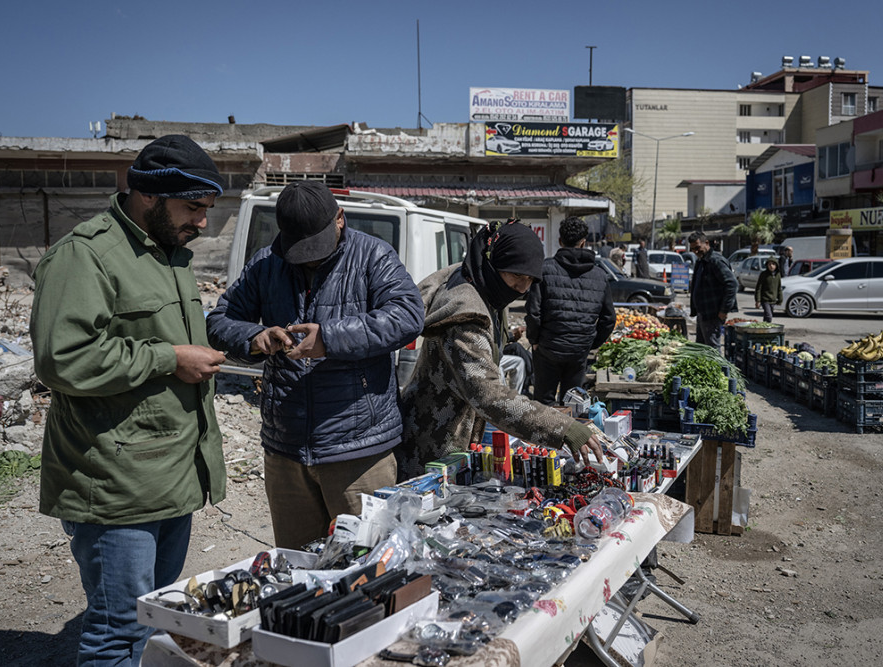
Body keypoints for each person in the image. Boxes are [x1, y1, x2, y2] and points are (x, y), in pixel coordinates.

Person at [30, 135, 228, 665]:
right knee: (117, 631)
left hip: (171, 476)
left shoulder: (168, 253)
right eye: (192, 208)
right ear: (148, 196)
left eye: (206, 209)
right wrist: (170, 358)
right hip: (116, 486)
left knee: (154, 618)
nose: (202, 223)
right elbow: (61, 359)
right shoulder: (86, 255)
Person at [206, 181, 424, 549]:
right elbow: (219, 321)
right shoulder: (266, 263)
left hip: (359, 454)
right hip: (286, 452)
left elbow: (407, 315)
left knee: (367, 569)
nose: (309, 258)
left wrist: (330, 339)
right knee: (297, 571)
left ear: (340, 218)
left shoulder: (373, 256)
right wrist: (255, 338)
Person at [396, 220, 610, 479]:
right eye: (517, 277)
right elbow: (488, 395)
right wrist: (563, 428)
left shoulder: (476, 279)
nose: (523, 288)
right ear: (494, 263)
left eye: (530, 279)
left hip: (447, 438)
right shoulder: (466, 314)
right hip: (432, 448)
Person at [525, 216, 616, 406]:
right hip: (578, 351)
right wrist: (590, 343)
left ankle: (544, 436)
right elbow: (608, 319)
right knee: (574, 405)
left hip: (547, 349)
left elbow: (533, 312)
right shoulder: (600, 275)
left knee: (543, 405)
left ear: (560, 241)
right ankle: (571, 436)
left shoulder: (544, 269)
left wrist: (534, 340)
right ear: (584, 242)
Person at [688, 230, 738, 349]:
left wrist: (724, 310)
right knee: (701, 349)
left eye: (698, 247)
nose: (695, 251)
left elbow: (732, 284)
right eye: (693, 249)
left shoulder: (715, 261)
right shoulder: (701, 261)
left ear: (706, 243)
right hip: (703, 313)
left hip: (713, 314)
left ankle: (720, 368)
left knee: (712, 350)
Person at [754, 257, 783, 323]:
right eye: (769, 264)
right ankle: (767, 327)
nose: (771, 266)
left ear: (776, 265)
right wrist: (758, 300)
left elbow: (779, 288)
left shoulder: (778, 275)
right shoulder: (763, 274)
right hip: (765, 299)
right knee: (769, 316)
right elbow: (758, 288)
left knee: (767, 316)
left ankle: (764, 328)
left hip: (773, 300)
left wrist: (780, 299)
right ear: (767, 265)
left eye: (773, 264)